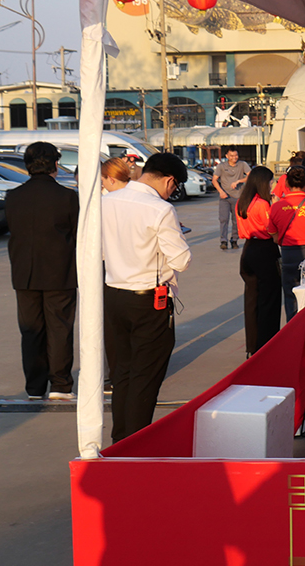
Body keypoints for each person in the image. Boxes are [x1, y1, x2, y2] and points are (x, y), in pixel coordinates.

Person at [101, 153, 192, 442]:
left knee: (122, 373)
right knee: (145, 377)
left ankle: (120, 440)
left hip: (113, 294)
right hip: (149, 299)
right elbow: (181, 261)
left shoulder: (106, 202)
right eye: (174, 187)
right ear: (169, 180)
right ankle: (135, 445)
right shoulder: (160, 209)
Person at [5, 142, 79, 400]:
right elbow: (77, 235)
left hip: (24, 273)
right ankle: (60, 385)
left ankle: (34, 388)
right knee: (60, 329)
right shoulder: (67, 197)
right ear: (55, 164)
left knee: (30, 331)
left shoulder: (13, 196)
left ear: (27, 165)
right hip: (60, 273)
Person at [235, 166, 281, 356]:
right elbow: (272, 230)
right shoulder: (263, 204)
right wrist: (275, 207)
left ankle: (252, 346)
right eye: (270, 181)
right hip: (265, 249)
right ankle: (267, 345)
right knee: (269, 300)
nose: (272, 185)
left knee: (251, 300)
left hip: (248, 249)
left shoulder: (242, 202)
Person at [269, 165, 305, 323]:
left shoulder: (277, 206)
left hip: (288, 254)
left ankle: (293, 330)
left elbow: (274, 236)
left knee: (291, 298)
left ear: (286, 184)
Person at [211, 147, 250, 250]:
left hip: (238, 197)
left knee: (236, 220)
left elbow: (250, 176)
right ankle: (223, 240)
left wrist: (239, 181)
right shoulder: (221, 166)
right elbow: (214, 180)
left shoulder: (242, 165)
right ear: (227, 156)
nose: (234, 157)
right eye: (231, 156)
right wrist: (221, 191)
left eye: (236, 155)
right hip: (225, 197)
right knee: (223, 219)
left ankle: (234, 240)